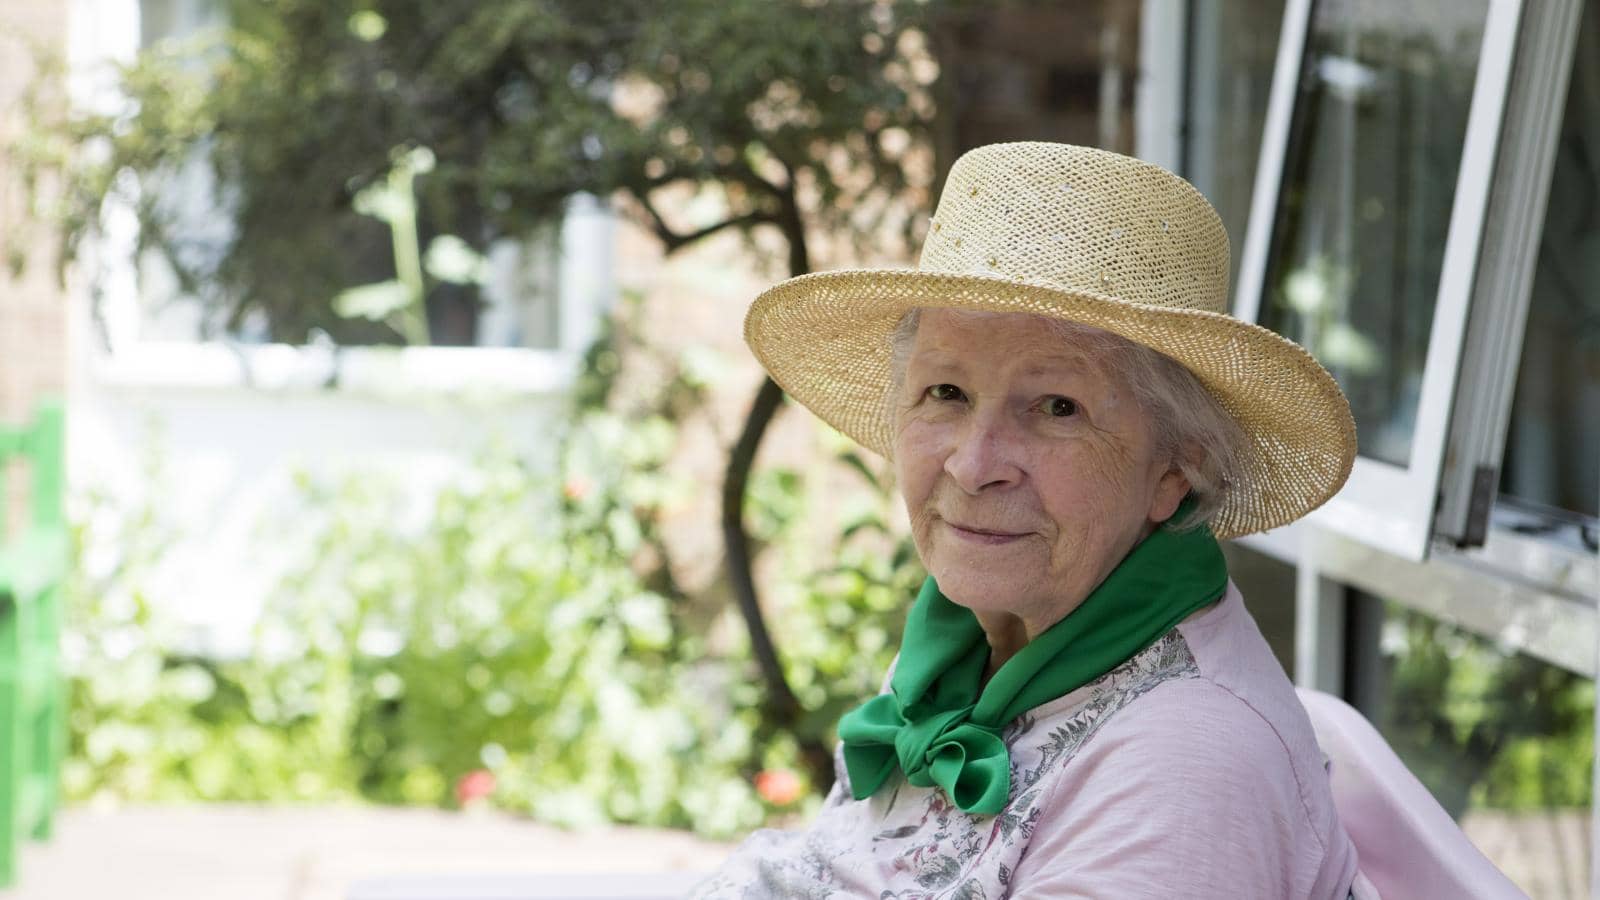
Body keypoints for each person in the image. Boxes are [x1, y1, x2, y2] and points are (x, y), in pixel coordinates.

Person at [692, 142, 1368, 898]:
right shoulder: (967, 644)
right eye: (945, 392)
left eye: (1056, 408)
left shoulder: (1187, 768)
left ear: (1177, 469)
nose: (975, 465)